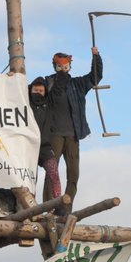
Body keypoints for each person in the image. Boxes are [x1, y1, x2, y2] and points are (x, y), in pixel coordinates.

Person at [44, 47, 103, 209]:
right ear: (54, 66)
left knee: (73, 174)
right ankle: (48, 206)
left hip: (73, 135)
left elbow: (95, 77)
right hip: (54, 134)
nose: (63, 69)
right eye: (59, 66)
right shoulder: (48, 82)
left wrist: (96, 57)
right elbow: (32, 92)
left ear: (70, 66)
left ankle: (65, 208)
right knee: (52, 172)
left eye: (65, 66)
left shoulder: (77, 84)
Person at [28, 77, 62, 201]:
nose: (38, 92)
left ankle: (58, 202)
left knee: (54, 172)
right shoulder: (25, 102)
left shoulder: (49, 104)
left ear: (45, 92)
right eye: (35, 90)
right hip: (28, 146)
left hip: (45, 146)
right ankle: (29, 204)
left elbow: (58, 86)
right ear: (30, 90)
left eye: (41, 90)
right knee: (30, 178)